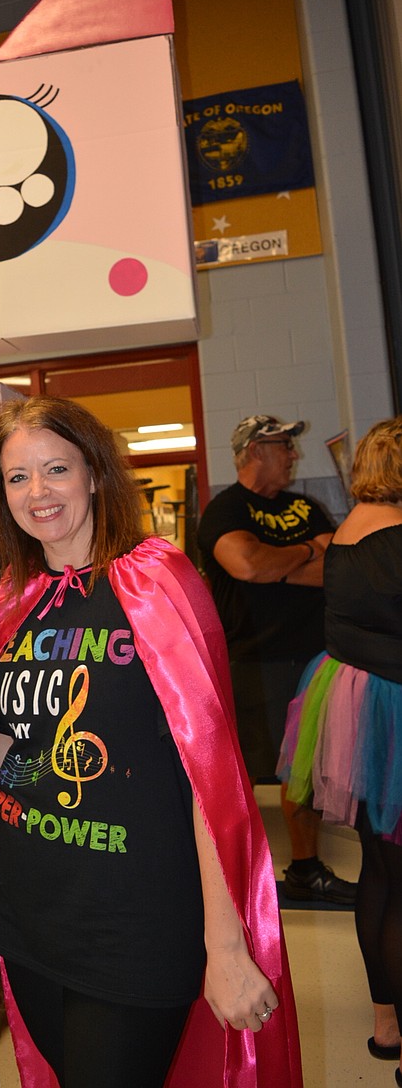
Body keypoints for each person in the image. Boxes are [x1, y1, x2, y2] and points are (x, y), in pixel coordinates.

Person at [0, 396, 301, 1087]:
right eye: (17, 478)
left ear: (94, 473)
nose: (38, 493)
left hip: (138, 921)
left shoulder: (157, 581)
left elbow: (207, 776)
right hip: (30, 919)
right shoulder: (12, 599)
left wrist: (226, 944)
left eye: (56, 468)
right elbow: (10, 753)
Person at [279, 417, 402, 1079]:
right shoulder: (396, 539)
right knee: (397, 880)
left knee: (381, 875)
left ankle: (387, 1024)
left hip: (358, 708)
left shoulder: (351, 532)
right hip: (392, 709)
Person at [197, 415, 356, 905]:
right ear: (253, 451)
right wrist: (308, 550)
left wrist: (275, 567)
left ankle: (305, 868)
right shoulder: (225, 510)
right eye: (284, 445)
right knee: (252, 773)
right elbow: (245, 564)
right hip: (255, 661)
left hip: (316, 655)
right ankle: (235, 880)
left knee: (306, 767)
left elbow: (339, 568)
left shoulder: (304, 506)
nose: (293, 454)